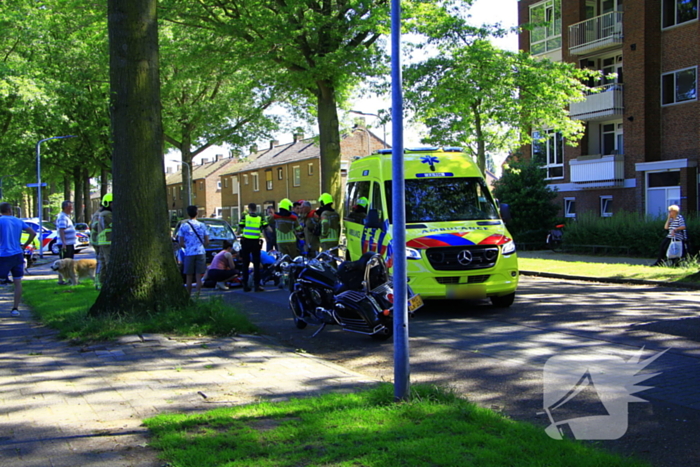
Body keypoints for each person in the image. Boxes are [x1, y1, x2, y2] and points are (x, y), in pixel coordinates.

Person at [0, 202, 37, 317]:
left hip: (3, 255)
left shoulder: (1, 221)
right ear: (10, 210)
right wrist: (25, 246)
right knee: (17, 282)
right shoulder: (18, 221)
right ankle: (15, 308)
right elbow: (33, 233)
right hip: (17, 254)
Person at [178, 205, 210, 296]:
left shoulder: (183, 226)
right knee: (198, 275)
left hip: (189, 253)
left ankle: (188, 295)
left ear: (188, 214)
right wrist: (200, 245)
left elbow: (180, 242)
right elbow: (207, 241)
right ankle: (198, 295)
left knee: (189, 275)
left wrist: (188, 246)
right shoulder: (202, 225)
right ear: (197, 213)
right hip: (200, 252)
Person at [238, 202, 266, 292]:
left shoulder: (245, 217)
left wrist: (239, 234)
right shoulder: (260, 218)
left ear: (249, 208)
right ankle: (257, 285)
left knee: (245, 264)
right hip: (255, 242)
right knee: (256, 264)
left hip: (246, 242)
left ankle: (245, 285)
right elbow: (267, 227)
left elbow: (239, 228)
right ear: (255, 209)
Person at [92, 194, 113, 290]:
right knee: (109, 263)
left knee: (102, 263)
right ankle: (109, 283)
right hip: (107, 242)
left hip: (103, 242)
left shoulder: (101, 214)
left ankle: (99, 283)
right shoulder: (107, 214)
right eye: (112, 203)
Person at [55, 201, 76, 267]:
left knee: (70, 263)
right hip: (66, 244)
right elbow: (61, 230)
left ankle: (68, 276)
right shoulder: (62, 217)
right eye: (70, 207)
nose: (72, 208)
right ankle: (65, 276)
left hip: (69, 243)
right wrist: (64, 243)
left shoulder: (66, 217)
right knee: (65, 264)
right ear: (66, 207)